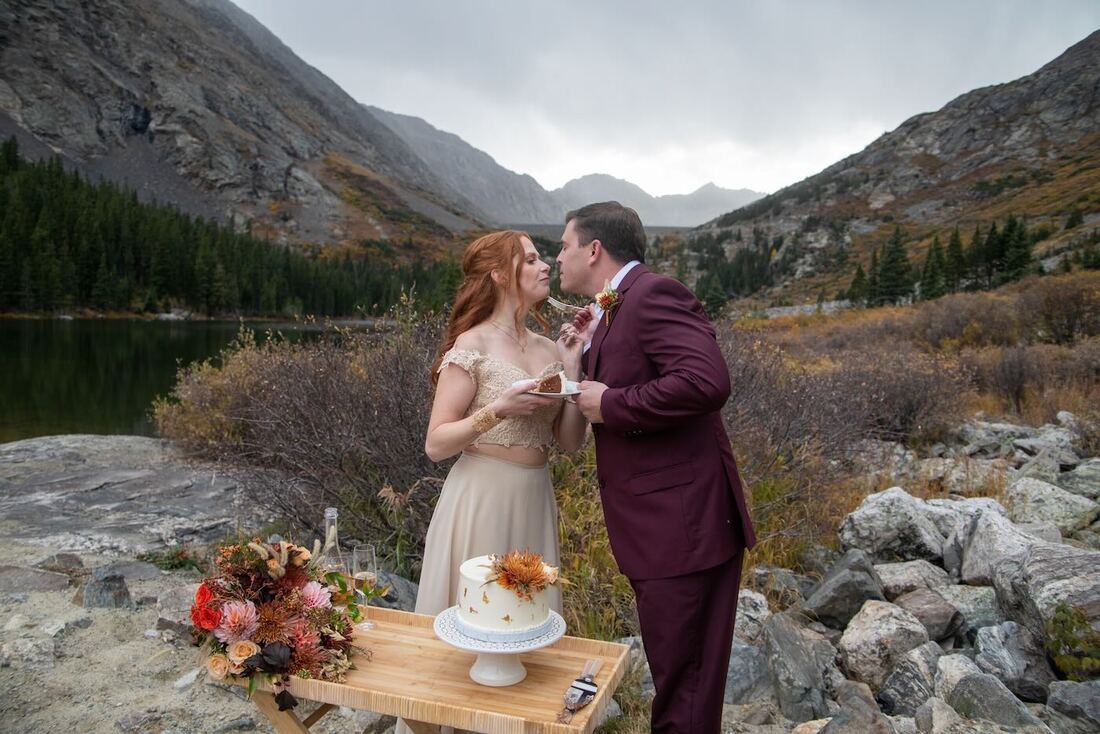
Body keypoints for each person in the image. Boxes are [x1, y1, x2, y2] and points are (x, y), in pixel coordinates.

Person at [556, 202, 756, 733]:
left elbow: (707, 381)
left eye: (563, 246)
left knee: (685, 690)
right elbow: (639, 370)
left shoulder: (653, 294)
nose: (557, 258)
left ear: (593, 249)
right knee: (680, 683)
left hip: (683, 530)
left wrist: (612, 403)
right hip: (664, 531)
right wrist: (585, 350)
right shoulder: (617, 305)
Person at [415, 229, 588, 618]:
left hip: (535, 497)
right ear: (498, 274)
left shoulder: (549, 348)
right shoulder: (472, 344)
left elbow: (570, 441)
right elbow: (436, 444)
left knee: (526, 619)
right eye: (531, 260)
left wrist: (573, 368)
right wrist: (499, 409)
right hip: (481, 498)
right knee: (481, 619)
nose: (546, 266)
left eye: (541, 258)